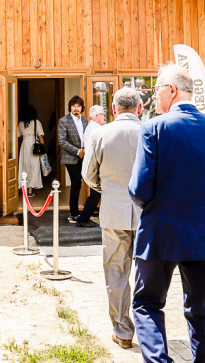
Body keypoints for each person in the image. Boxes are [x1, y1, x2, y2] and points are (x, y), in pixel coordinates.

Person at [129, 64, 205, 363]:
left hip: (161, 233)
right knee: (200, 308)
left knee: (146, 304)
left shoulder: (154, 127)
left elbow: (140, 188)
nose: (154, 97)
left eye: (156, 90)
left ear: (172, 90)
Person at [83, 87, 144, 350]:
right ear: (139, 108)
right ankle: (149, 329)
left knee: (116, 272)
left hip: (113, 211)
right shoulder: (151, 131)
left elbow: (88, 175)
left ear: (114, 109)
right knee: (145, 273)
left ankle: (122, 330)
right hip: (147, 213)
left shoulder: (101, 133)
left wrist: (106, 189)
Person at [72, 106, 105, 227]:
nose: (104, 116)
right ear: (97, 116)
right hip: (96, 164)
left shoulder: (93, 127)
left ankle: (84, 217)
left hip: (94, 163)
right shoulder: (95, 129)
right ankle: (83, 218)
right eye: (102, 114)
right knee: (96, 193)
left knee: (96, 193)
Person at [57, 95, 88, 222]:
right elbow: (62, 141)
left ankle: (79, 212)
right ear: (70, 107)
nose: (76, 108)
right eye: (74, 106)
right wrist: (77, 151)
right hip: (70, 157)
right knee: (76, 183)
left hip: (84, 156)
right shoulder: (64, 120)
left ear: (82, 107)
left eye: (78, 106)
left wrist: (85, 150)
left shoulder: (85, 120)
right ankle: (73, 213)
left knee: (82, 182)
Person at [17, 105, 44, 195]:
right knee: (34, 166)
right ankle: (30, 190)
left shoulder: (20, 123)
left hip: (24, 145)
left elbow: (19, 136)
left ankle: (23, 187)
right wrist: (42, 148)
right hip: (34, 145)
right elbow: (41, 137)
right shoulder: (36, 122)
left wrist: (26, 137)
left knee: (24, 165)